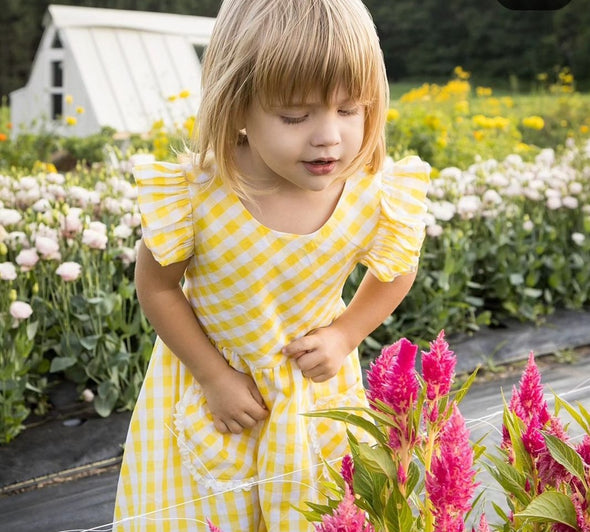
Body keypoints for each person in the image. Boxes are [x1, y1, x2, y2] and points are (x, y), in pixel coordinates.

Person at [113, 0, 430, 530]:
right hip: (214, 389)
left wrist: (345, 335)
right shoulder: (199, 195)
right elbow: (159, 288)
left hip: (314, 393)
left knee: (319, 512)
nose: (328, 136)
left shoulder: (369, 193)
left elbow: (398, 269)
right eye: (294, 116)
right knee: (204, 514)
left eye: (350, 110)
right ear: (237, 106)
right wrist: (213, 375)